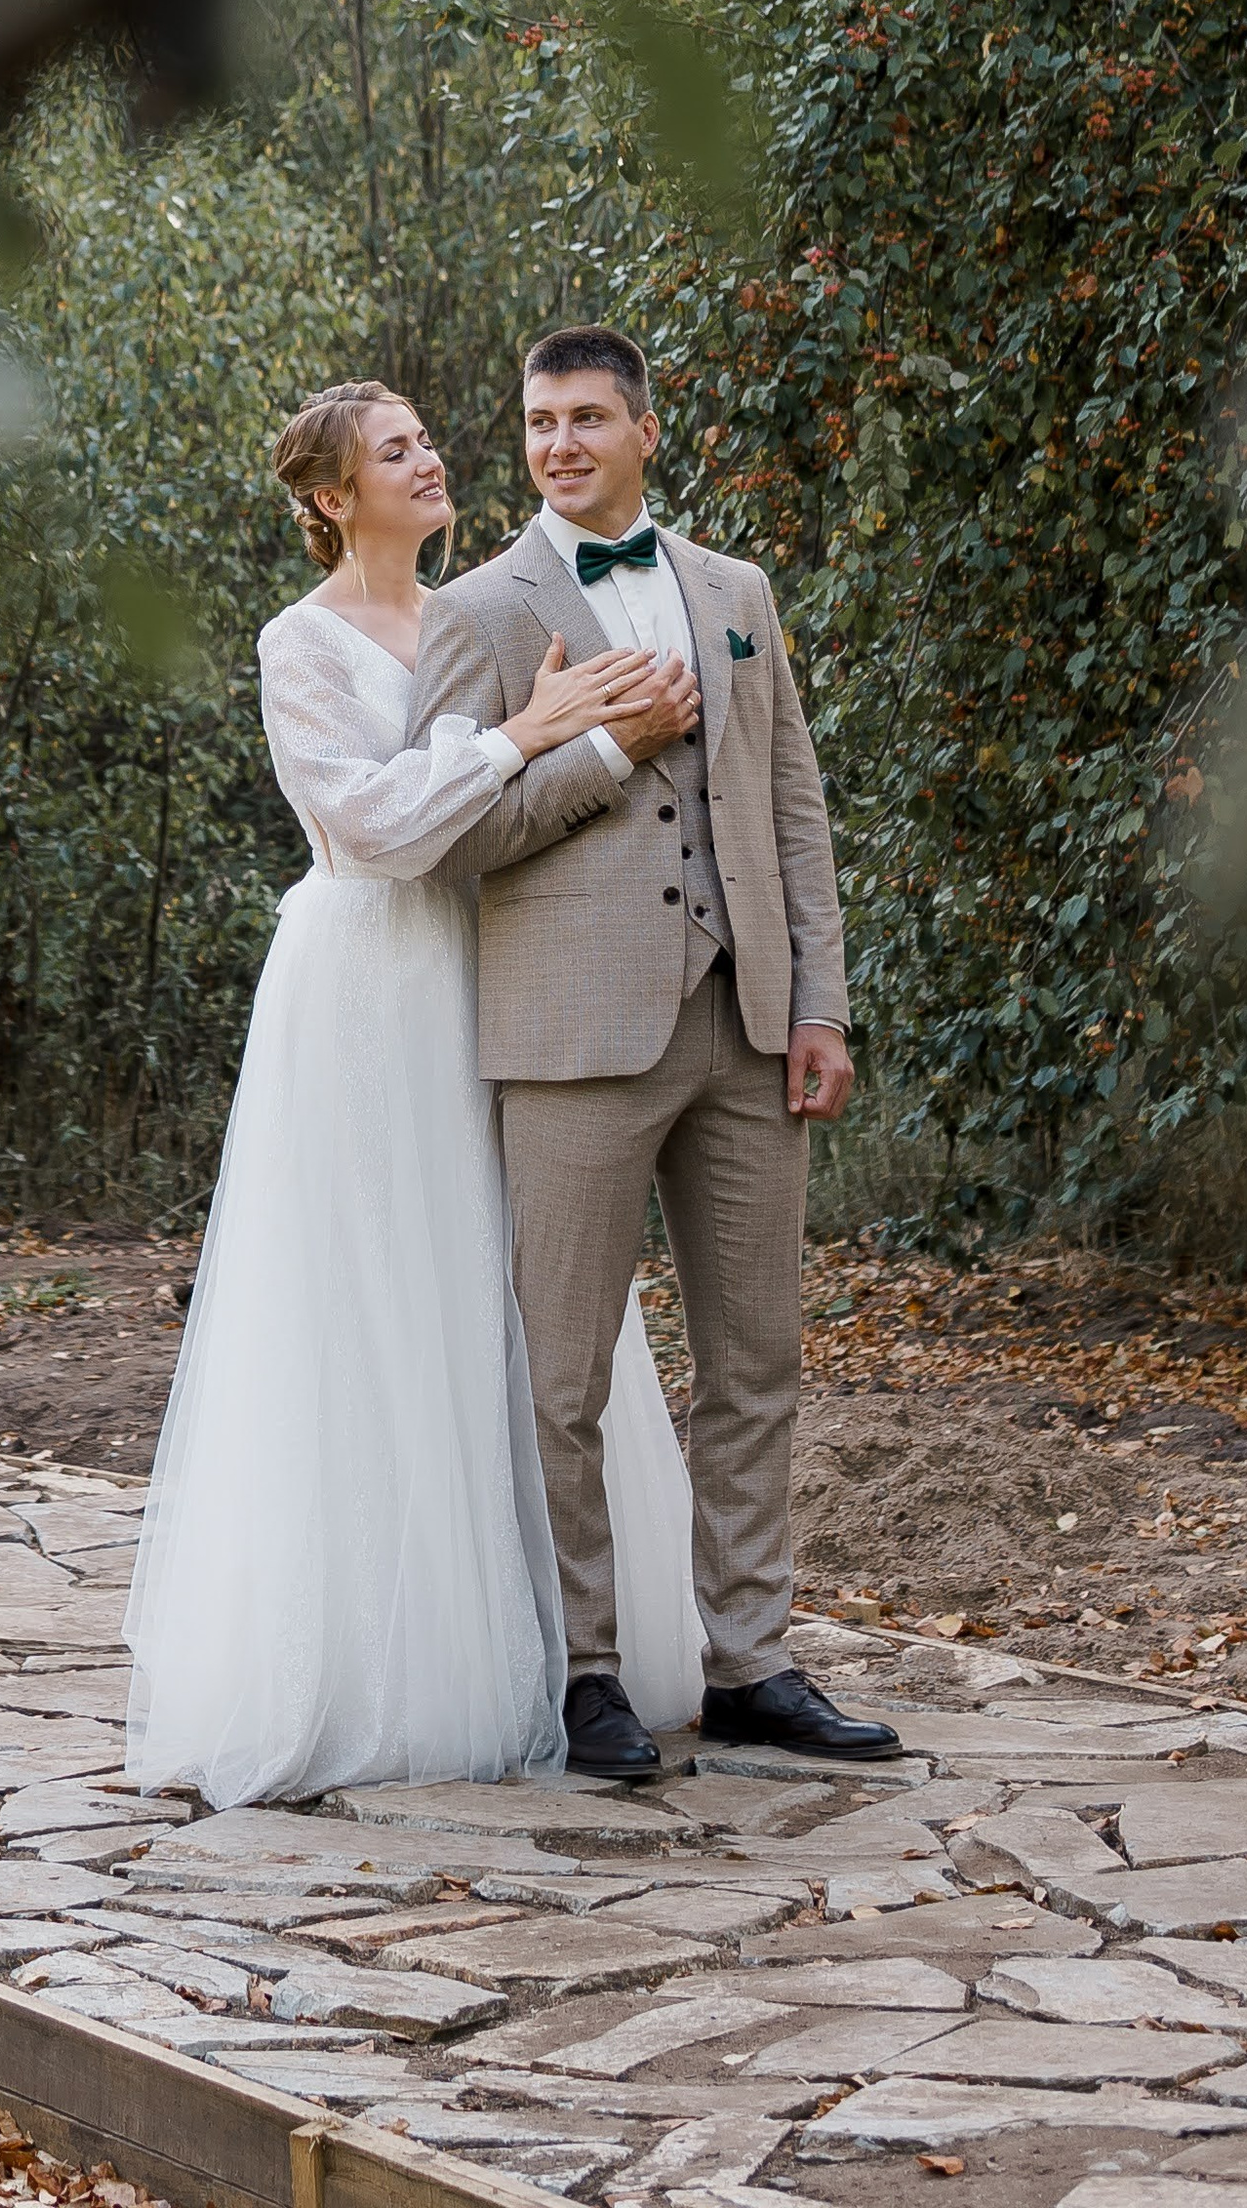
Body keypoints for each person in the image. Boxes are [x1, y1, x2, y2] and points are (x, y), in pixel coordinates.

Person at [122, 378, 708, 1810]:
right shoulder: (298, 644)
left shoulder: (479, 620)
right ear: (331, 498)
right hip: (368, 987)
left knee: (519, 1288)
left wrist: (582, 734)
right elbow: (368, 825)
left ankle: (573, 1644)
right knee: (381, 1293)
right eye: (396, 452)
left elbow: (504, 818)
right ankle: (390, 1662)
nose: (432, 459)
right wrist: (534, 732)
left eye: (429, 440)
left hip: (492, 970)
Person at [408, 323, 897, 1780]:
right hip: (572, 1041)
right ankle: (591, 1672)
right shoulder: (479, 612)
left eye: (585, 419)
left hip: (746, 1026)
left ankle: (752, 1662)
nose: (558, 443)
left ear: (644, 431)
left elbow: (790, 808)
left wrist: (822, 1004)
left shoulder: (737, 592)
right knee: (563, 1377)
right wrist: (607, 752)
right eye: (538, 421)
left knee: (757, 1359)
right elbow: (448, 839)